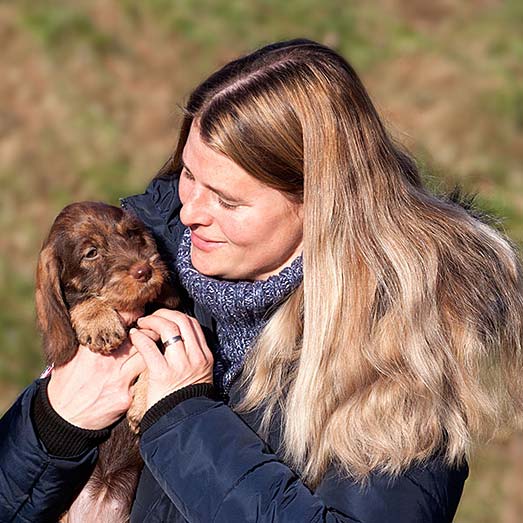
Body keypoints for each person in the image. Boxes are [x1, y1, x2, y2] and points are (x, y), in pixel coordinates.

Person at [1, 38, 522, 522]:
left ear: (321, 205)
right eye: (187, 175)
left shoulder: (403, 349)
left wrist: (181, 418)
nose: (189, 214)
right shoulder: (152, 256)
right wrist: (53, 423)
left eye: (228, 200)